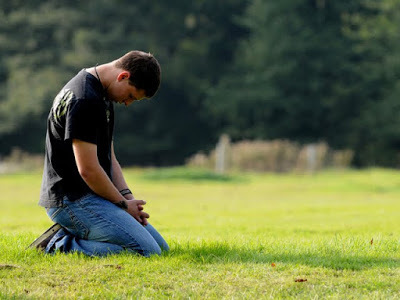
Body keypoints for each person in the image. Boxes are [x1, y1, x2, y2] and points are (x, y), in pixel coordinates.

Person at [29, 51, 169, 257]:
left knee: (161, 250)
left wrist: (129, 200)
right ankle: (57, 244)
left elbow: (109, 157)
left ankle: (84, 236)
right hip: (71, 200)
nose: (128, 103)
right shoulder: (85, 99)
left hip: (93, 196)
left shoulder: (101, 96)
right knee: (148, 252)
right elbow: (88, 170)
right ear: (123, 77)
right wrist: (121, 205)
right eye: (131, 96)